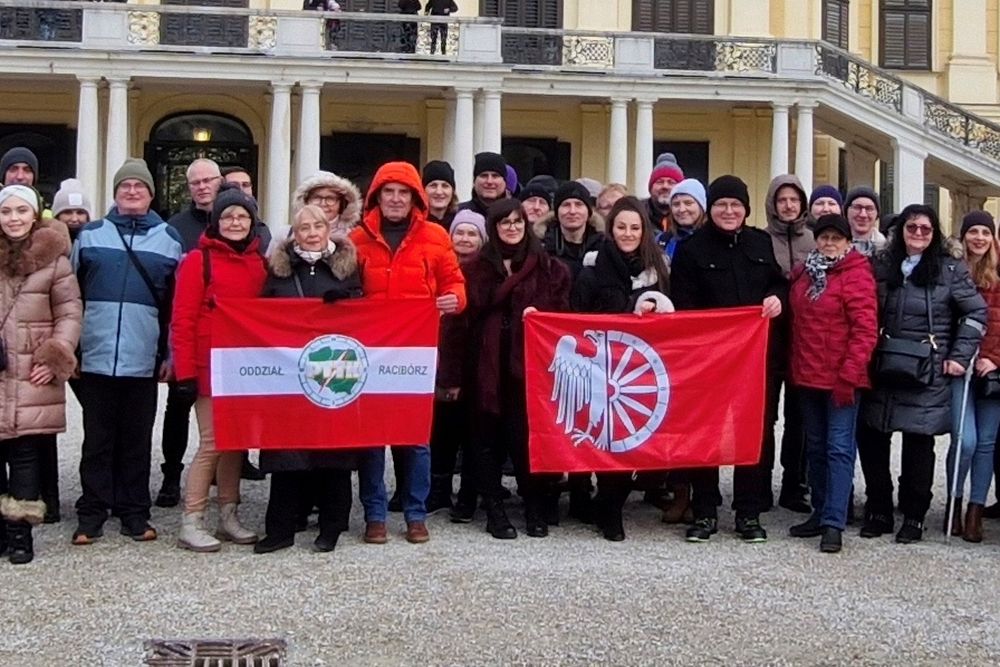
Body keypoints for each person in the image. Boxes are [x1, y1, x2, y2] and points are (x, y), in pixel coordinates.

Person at [350, 161, 466, 545]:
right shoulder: (357, 238)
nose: (396, 199)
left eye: (403, 192)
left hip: (416, 351)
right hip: (369, 351)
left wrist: (455, 299)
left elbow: (454, 282)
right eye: (389, 192)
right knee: (370, 437)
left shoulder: (435, 235)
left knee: (415, 436)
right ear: (377, 197)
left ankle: (416, 513)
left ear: (414, 197)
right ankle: (374, 514)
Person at [857, 204, 986, 544]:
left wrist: (959, 356)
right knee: (872, 437)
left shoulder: (949, 269)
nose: (917, 234)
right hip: (883, 362)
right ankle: (879, 507)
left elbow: (975, 313)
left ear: (935, 234)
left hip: (928, 366)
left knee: (919, 443)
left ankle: (914, 514)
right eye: (911, 227)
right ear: (900, 231)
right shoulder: (881, 265)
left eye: (925, 229)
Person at [71, 158, 183, 545]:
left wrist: (170, 353)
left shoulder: (169, 239)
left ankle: (135, 513)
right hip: (97, 354)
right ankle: (91, 514)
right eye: (125, 187)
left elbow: (176, 305)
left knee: (137, 441)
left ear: (151, 194)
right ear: (115, 193)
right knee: (96, 441)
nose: (131, 192)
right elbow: (71, 298)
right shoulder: (89, 235)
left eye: (139, 187)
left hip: (142, 358)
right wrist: (72, 348)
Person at [670, 175, 787, 543]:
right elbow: (684, 307)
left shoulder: (760, 242)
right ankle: (705, 512)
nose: (729, 211)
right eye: (721, 204)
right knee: (705, 431)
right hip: (709, 361)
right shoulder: (692, 250)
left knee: (755, 432)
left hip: (755, 359)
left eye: (735, 205)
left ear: (746, 209)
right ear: (710, 209)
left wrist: (776, 297)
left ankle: (748, 512)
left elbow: (778, 281)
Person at [459, 198, 570, 538]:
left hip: (529, 369)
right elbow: (460, 321)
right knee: (484, 441)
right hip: (483, 367)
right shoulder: (474, 268)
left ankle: (534, 506)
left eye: (517, 222)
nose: (511, 228)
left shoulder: (549, 268)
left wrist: (542, 316)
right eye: (504, 223)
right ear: (493, 228)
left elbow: (564, 317)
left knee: (527, 440)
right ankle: (494, 509)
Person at [255, 204, 363, 554]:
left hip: (334, 369)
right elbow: (263, 313)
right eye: (305, 228)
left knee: (334, 451)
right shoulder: (280, 270)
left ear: (329, 228)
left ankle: (331, 527)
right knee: (287, 452)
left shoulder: (347, 267)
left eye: (319, 225)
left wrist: (347, 302)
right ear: (295, 233)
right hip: (289, 372)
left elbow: (366, 315)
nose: (313, 233)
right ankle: (281, 528)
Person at [570, 196, 672, 541]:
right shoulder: (591, 270)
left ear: (644, 231)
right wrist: (632, 306)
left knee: (634, 441)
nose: (628, 233)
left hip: (641, 370)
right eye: (621, 227)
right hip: (602, 368)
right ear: (610, 230)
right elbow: (579, 319)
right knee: (604, 436)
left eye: (635, 227)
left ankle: (609, 501)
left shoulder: (657, 270)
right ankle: (607, 508)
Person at [171, 187, 267, 553]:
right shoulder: (199, 261)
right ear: (216, 222)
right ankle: (192, 518)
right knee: (212, 442)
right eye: (227, 216)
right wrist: (184, 371)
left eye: (242, 216)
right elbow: (182, 319)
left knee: (236, 443)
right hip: (209, 363)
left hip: (246, 365)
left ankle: (229, 513)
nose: (235, 222)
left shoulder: (261, 264)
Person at [787, 214, 878, 553]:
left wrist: (850, 376)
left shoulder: (856, 276)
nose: (828, 243)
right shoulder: (804, 274)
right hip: (809, 375)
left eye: (835, 238)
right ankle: (820, 510)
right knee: (815, 448)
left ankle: (834, 522)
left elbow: (864, 331)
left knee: (839, 449)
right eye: (823, 237)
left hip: (841, 378)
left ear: (847, 243)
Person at [0, 185, 81, 563]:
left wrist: (54, 357)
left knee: (25, 454)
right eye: (6, 211)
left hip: (30, 368)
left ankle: (20, 533)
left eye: (21, 211)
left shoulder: (55, 261)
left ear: (35, 215)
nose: (13, 218)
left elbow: (69, 313)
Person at [154, 158, 224, 509]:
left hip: (225, 342)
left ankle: (225, 479)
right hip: (183, 331)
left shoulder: (241, 220)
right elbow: (168, 288)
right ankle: (170, 476)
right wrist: (170, 350)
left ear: (219, 181)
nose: (201, 186)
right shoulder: (174, 227)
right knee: (177, 407)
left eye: (208, 180)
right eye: (195, 182)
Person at [945, 211, 1000, 543]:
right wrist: (957, 356)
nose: (979, 237)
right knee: (965, 441)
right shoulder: (952, 271)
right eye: (973, 231)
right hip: (959, 367)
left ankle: (975, 511)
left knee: (986, 444)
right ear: (963, 236)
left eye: (985, 232)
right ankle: (954, 500)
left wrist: (994, 358)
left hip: (992, 370)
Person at [430, 210, 487, 515]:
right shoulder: (439, 268)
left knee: (473, 434)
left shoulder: (486, 273)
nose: (465, 239)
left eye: (472, 234)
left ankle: (468, 493)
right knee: (441, 431)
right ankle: (438, 489)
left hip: (478, 364)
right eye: (459, 233)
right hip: (444, 361)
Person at [764, 174, 813, 514]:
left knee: (800, 417)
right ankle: (760, 482)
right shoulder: (760, 240)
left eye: (794, 199)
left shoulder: (815, 240)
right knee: (764, 416)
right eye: (782, 200)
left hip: (805, 339)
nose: (789, 205)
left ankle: (794, 484)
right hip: (769, 339)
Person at [534, 180, 605, 282]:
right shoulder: (541, 246)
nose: (572, 211)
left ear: (588, 211)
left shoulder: (602, 245)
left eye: (578, 204)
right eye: (566, 205)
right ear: (557, 212)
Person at [289, 170, 363, 238]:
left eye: (330, 198)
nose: (323, 204)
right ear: (306, 201)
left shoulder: (354, 237)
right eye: (317, 198)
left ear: (342, 203)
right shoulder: (287, 235)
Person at [657, 178, 705, 262]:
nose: (682, 209)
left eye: (688, 203)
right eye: (676, 204)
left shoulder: (715, 240)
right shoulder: (662, 241)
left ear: (701, 206)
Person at [458, 152, 508, 217]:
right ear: (474, 181)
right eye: (484, 176)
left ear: (505, 182)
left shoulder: (514, 214)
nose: (489, 181)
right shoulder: (458, 213)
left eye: (495, 176)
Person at [645, 153, 684, 232]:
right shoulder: (638, 213)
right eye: (660, 182)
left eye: (671, 182)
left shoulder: (688, 216)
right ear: (651, 187)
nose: (665, 186)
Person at [845, 187, 885, 257]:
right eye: (857, 207)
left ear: (877, 214)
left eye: (869, 209)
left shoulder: (887, 251)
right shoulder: (832, 248)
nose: (863, 214)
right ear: (846, 211)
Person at [423, 160, 458, 228]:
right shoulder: (414, 223)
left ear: (452, 191)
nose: (439, 192)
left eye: (445, 186)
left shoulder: (459, 224)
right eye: (433, 185)